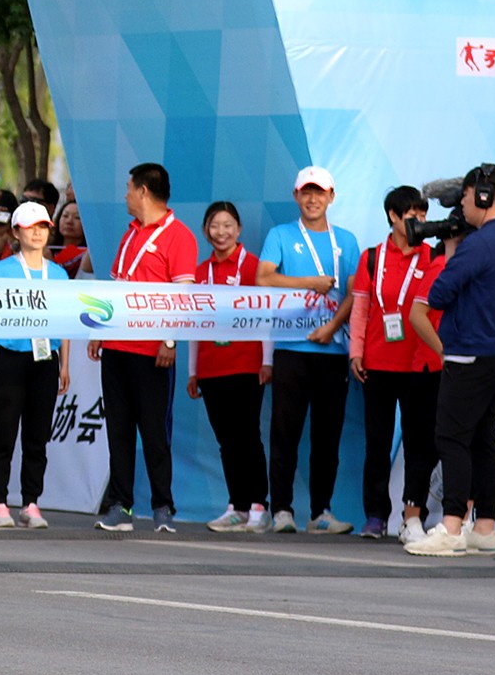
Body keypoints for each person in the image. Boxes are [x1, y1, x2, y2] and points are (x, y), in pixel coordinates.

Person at [405, 164, 495, 559]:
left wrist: (453, 248)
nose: (461, 203)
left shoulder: (479, 243)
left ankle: (453, 525)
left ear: (485, 196)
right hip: (494, 352)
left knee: (452, 438)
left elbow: (439, 294)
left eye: (466, 195)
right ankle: (485, 527)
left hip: (469, 353)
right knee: (482, 440)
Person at [92, 163, 195, 533]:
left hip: (152, 351)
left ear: (144, 192)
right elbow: (116, 288)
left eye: (128, 188)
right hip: (117, 347)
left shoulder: (179, 236)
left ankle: (163, 506)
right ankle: (121, 506)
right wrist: (99, 331)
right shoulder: (130, 234)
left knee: (154, 431)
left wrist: (169, 340)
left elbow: (182, 296)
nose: (125, 195)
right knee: (118, 429)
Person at [259, 167, 360, 535]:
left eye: (320, 193)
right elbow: (264, 277)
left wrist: (332, 327)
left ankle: (321, 512)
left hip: (332, 349)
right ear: (296, 195)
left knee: (327, 435)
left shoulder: (346, 241)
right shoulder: (281, 235)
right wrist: (310, 283)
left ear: (331, 197)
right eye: (306, 192)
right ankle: (281, 509)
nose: (313, 199)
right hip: (290, 348)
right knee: (284, 431)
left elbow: (354, 292)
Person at [348, 187, 446, 541]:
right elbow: (360, 308)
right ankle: (375, 515)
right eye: (412, 214)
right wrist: (355, 352)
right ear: (392, 215)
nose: (419, 221)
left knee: (422, 443)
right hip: (377, 363)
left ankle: (413, 514)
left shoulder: (435, 255)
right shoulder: (372, 258)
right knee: (377, 443)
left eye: (423, 214)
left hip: (421, 364)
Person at [0, 202, 69, 528]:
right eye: (30, 226)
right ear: (16, 232)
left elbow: (66, 322)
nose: (37, 232)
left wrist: (64, 366)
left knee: (37, 437)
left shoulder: (58, 274)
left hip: (46, 360)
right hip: (11, 359)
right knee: (3, 433)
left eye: (43, 226)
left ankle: (31, 502)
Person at [190, 200, 270, 533]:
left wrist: (267, 360)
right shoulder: (199, 272)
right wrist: (193, 371)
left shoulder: (254, 267)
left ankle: (258, 505)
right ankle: (236, 504)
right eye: (214, 226)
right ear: (206, 231)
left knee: (248, 436)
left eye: (227, 225)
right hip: (211, 368)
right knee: (226, 440)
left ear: (238, 229)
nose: (220, 232)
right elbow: (194, 323)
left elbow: (267, 313)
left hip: (247, 366)